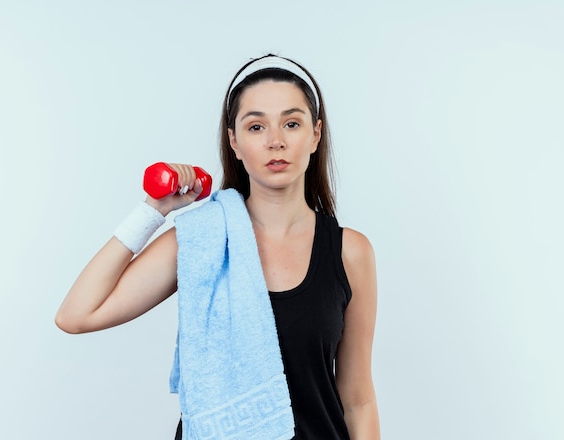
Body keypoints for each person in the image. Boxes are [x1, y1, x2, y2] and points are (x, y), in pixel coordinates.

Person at [56, 54, 380, 440]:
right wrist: (154, 211)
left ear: (314, 135)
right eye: (256, 126)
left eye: (291, 123)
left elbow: (357, 400)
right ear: (235, 142)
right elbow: (76, 315)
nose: (276, 140)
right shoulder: (200, 240)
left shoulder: (350, 251)